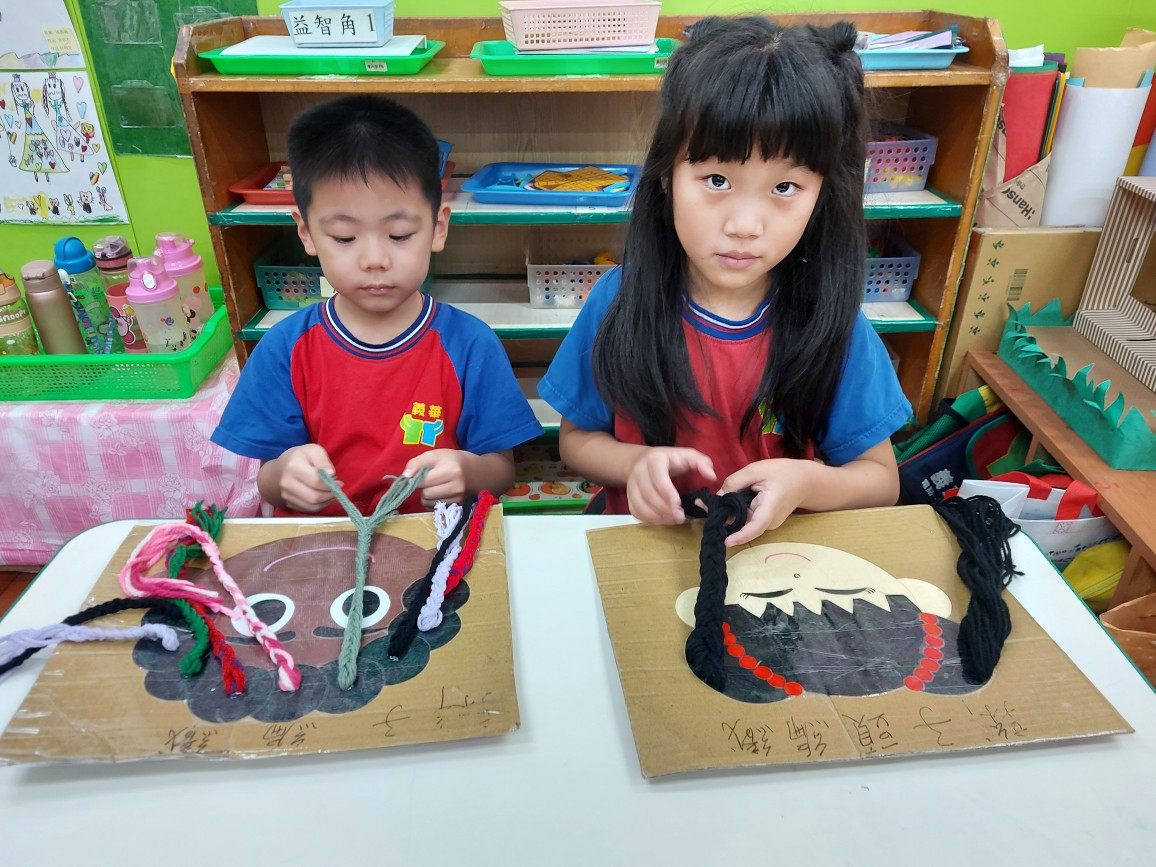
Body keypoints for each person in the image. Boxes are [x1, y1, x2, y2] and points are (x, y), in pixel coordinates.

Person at [538, 17, 912, 546]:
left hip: (773, 561)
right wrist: (635, 464)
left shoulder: (834, 326)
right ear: (666, 175)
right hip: (641, 547)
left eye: (785, 187)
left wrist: (807, 482)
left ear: (822, 195)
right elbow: (577, 440)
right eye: (716, 180)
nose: (744, 225)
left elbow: (881, 480)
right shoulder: (618, 300)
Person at [213, 95, 542, 517]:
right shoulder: (285, 349)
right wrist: (286, 478)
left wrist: (467, 472)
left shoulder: (470, 344)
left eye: (399, 234)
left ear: (438, 227)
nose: (374, 259)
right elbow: (268, 479)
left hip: (434, 539)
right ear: (306, 233)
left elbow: (501, 470)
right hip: (322, 543)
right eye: (345, 238)